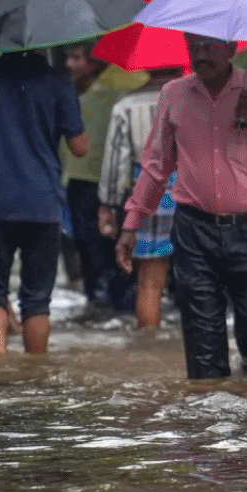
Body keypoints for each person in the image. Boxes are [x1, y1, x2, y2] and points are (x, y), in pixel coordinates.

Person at [116, 33, 247, 380]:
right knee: (202, 339)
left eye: (210, 46)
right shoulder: (174, 94)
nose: (201, 54)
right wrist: (131, 224)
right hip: (194, 229)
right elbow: (156, 164)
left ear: (231, 48)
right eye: (194, 46)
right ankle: (203, 424)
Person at [0, 49, 86, 356]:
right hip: (43, 203)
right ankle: (36, 371)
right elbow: (80, 147)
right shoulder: (58, 80)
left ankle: (0, 362)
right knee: (37, 300)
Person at [61, 42, 146, 315]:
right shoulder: (78, 92)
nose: (70, 65)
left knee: (98, 253)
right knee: (102, 253)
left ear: (95, 62)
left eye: (77, 58)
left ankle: (103, 309)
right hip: (90, 182)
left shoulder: (110, 94)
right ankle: (112, 311)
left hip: (100, 184)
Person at [97, 66, 184, 330]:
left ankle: (149, 346)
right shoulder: (198, 99)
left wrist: (107, 204)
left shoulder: (126, 105)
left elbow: (116, 163)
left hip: (147, 190)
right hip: (193, 187)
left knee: (149, 281)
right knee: (199, 278)